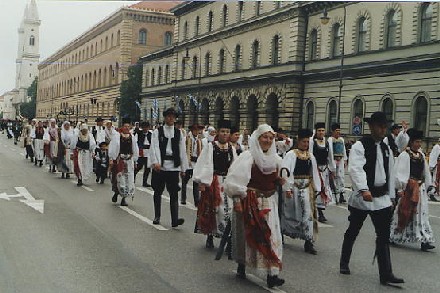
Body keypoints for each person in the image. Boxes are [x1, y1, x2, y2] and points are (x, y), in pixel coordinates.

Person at [339, 111, 404, 286]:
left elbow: (390, 172)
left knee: (383, 235)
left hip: (381, 197)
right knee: (353, 230)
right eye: (380, 126)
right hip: (364, 197)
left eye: (385, 127)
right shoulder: (361, 145)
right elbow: (356, 169)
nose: (383, 129)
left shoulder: (386, 146)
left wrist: (391, 196)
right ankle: (344, 262)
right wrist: (363, 189)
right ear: (371, 127)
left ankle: (386, 273)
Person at [224, 124, 285, 289]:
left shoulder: (276, 159)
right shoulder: (247, 157)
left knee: (271, 237)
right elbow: (234, 181)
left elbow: (282, 178)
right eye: (265, 137)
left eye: (271, 138)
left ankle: (272, 274)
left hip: (269, 202)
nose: (268, 140)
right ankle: (242, 264)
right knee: (249, 235)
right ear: (257, 138)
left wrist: (280, 181)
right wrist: (237, 200)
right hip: (251, 202)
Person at [390, 129, 435, 251]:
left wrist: (429, 185)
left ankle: (425, 240)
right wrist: (401, 188)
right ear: (411, 142)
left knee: (422, 214)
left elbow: (425, 172)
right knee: (404, 213)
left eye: (420, 142)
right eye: (416, 142)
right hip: (409, 190)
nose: (419, 144)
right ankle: (394, 236)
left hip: (420, 190)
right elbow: (399, 172)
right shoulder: (405, 155)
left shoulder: (420, 155)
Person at [193, 119, 236, 248]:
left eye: (227, 132)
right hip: (213, 180)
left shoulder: (231, 148)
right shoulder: (211, 146)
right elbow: (204, 163)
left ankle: (228, 237)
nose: (225, 134)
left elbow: (235, 165)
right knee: (212, 209)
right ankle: (210, 234)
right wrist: (202, 181)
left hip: (227, 181)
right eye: (223, 131)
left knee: (229, 210)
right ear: (218, 132)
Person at [281, 128, 321, 255]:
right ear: (298, 141)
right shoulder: (291, 155)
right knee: (290, 213)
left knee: (308, 215)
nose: (305, 144)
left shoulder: (311, 156)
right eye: (304, 141)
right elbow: (286, 171)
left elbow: (314, 173)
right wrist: (287, 188)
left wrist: (317, 188)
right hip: (294, 188)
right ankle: (282, 232)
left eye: (307, 142)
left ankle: (309, 241)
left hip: (307, 189)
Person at [150, 108, 188, 227]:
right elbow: (154, 147)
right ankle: (157, 216)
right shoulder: (158, 131)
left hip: (173, 166)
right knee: (158, 191)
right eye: (168, 116)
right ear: (165, 118)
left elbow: (182, 150)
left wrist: (183, 168)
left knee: (174, 193)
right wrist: (156, 162)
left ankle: (175, 219)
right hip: (160, 166)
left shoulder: (179, 133)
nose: (170, 118)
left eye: (173, 117)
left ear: (175, 119)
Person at [309, 122, 336, 222]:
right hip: (315, 170)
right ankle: (317, 211)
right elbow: (310, 155)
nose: (321, 132)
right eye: (319, 131)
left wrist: (332, 170)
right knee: (316, 189)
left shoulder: (327, 143)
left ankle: (319, 211)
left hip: (324, 170)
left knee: (323, 190)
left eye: (322, 130)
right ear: (316, 131)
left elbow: (330, 156)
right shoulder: (313, 142)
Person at [109, 118, 139, 206]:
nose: (126, 128)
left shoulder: (132, 137)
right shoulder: (117, 136)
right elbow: (113, 147)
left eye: (128, 126)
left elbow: (135, 149)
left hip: (129, 160)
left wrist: (135, 160)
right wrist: (111, 158)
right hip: (120, 160)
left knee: (128, 179)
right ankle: (116, 193)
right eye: (125, 126)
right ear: (122, 127)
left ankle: (124, 198)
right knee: (119, 179)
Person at [181, 123, 204, 205]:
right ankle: (183, 198)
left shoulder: (199, 140)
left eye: (198, 130)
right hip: (188, 163)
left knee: (196, 182)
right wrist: (183, 165)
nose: (197, 132)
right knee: (185, 181)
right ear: (192, 130)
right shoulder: (186, 139)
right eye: (195, 130)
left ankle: (196, 200)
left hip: (196, 163)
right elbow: (183, 151)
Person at [328, 123, 348, 204]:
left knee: (341, 177)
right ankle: (334, 195)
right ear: (332, 131)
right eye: (336, 131)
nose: (338, 132)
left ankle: (342, 194)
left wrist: (345, 159)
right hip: (333, 160)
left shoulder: (341, 140)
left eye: (339, 131)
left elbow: (344, 150)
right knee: (334, 178)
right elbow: (330, 151)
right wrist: (331, 163)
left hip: (341, 160)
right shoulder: (330, 140)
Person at [134, 121, 152, 187]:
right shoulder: (138, 133)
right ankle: (133, 179)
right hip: (140, 151)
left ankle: (145, 182)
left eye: (147, 127)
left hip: (148, 152)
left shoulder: (151, 134)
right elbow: (135, 142)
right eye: (144, 127)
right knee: (139, 166)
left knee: (147, 168)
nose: (145, 129)